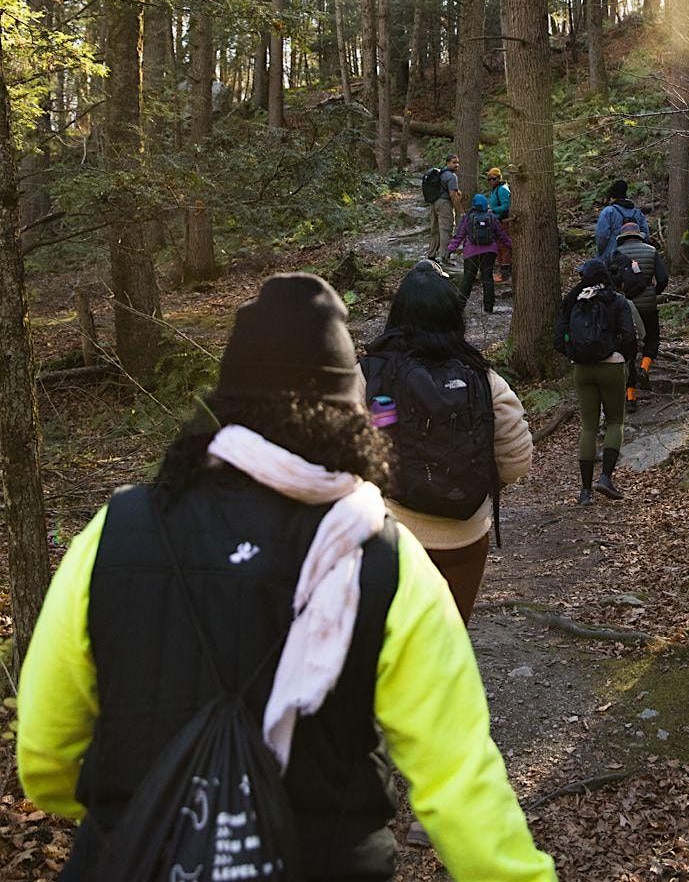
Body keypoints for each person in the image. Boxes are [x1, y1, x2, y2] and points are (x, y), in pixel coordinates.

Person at [17, 273, 557, 882]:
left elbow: (43, 757)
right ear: (350, 413)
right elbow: (460, 781)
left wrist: (136, 808)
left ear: (223, 406)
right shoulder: (384, 557)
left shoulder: (115, 532)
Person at [360, 261, 532, 625]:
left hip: (391, 536)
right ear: (454, 316)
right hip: (465, 538)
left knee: (392, 644)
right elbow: (518, 458)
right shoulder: (484, 377)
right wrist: (476, 481)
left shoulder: (368, 375)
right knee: (449, 639)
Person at [555, 258, 637, 506]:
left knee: (588, 427)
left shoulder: (572, 301)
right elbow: (630, 335)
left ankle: (585, 491)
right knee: (615, 422)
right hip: (612, 367)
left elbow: (558, 339)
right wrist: (622, 355)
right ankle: (606, 478)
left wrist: (575, 354)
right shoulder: (617, 300)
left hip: (582, 370)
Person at [609, 222, 669, 409]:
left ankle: (631, 398)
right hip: (648, 304)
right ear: (639, 235)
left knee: (628, 348)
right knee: (652, 338)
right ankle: (644, 368)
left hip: (624, 306)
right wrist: (654, 291)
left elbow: (611, 282)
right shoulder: (651, 251)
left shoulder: (615, 254)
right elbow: (663, 278)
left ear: (622, 237)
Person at [447, 193, 512, 314]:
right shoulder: (491, 217)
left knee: (467, 279)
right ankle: (489, 307)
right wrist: (511, 245)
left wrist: (450, 249)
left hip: (471, 253)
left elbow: (459, 235)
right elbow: (501, 235)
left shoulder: (467, 218)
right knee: (487, 278)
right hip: (490, 252)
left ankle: (459, 307)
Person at [594, 179, 650, 261]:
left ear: (612, 198)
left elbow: (602, 236)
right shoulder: (637, 212)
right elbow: (646, 234)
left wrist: (600, 253)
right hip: (636, 257)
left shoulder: (609, 211)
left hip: (612, 257)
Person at [427, 153, 462, 264]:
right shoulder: (452, 176)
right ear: (447, 163)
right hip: (444, 204)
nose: (457, 165)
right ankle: (444, 257)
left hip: (434, 203)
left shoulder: (440, 173)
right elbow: (452, 195)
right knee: (446, 229)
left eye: (458, 162)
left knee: (435, 229)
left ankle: (431, 255)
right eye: (454, 162)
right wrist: (460, 210)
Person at [486, 166, 512, 282]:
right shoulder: (494, 190)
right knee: (497, 246)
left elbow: (506, 206)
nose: (492, 181)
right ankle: (501, 271)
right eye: (489, 179)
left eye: (494, 179)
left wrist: (493, 210)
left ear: (499, 178)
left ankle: (505, 273)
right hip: (495, 222)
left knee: (504, 246)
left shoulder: (502, 189)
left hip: (503, 222)